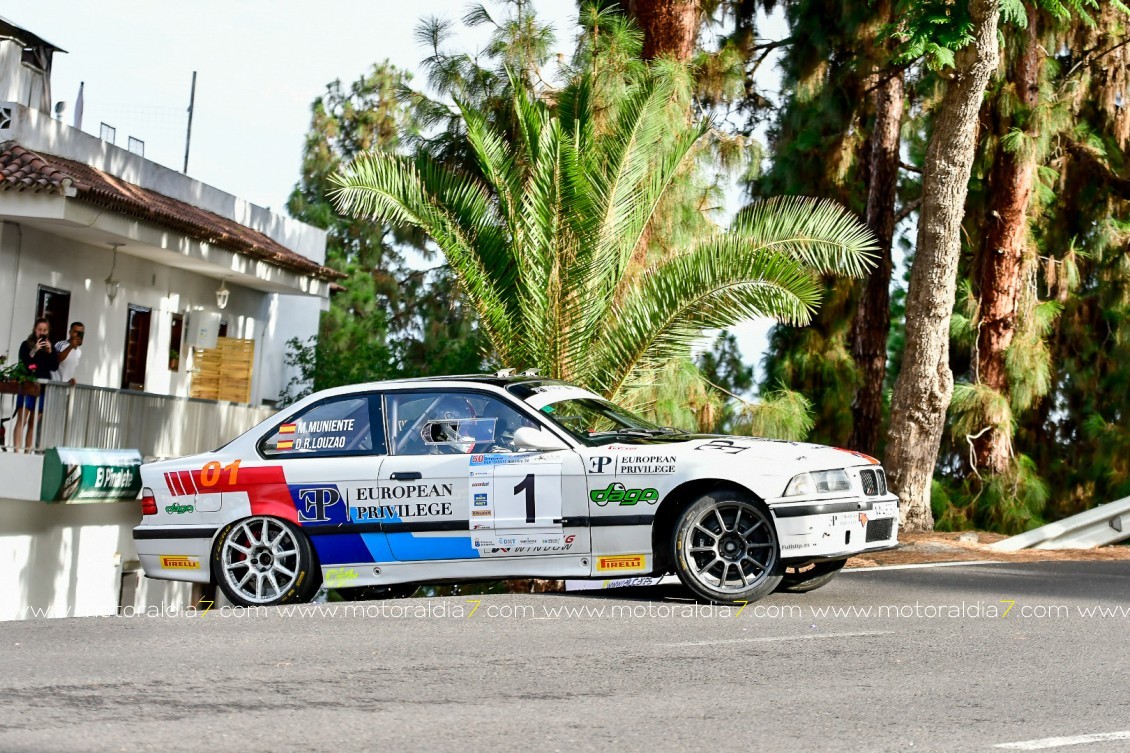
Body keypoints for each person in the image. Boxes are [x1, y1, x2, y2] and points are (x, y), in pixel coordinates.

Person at [12, 318, 58, 451]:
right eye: (40, 330)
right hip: (28, 386)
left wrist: (50, 352)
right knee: (23, 419)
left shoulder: (50, 348)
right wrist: (35, 349)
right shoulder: (26, 345)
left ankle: (27, 452)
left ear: (48, 332)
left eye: (45, 330)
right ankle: (16, 450)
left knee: (33, 422)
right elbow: (24, 362)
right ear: (35, 330)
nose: (42, 332)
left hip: (42, 388)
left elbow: (54, 367)